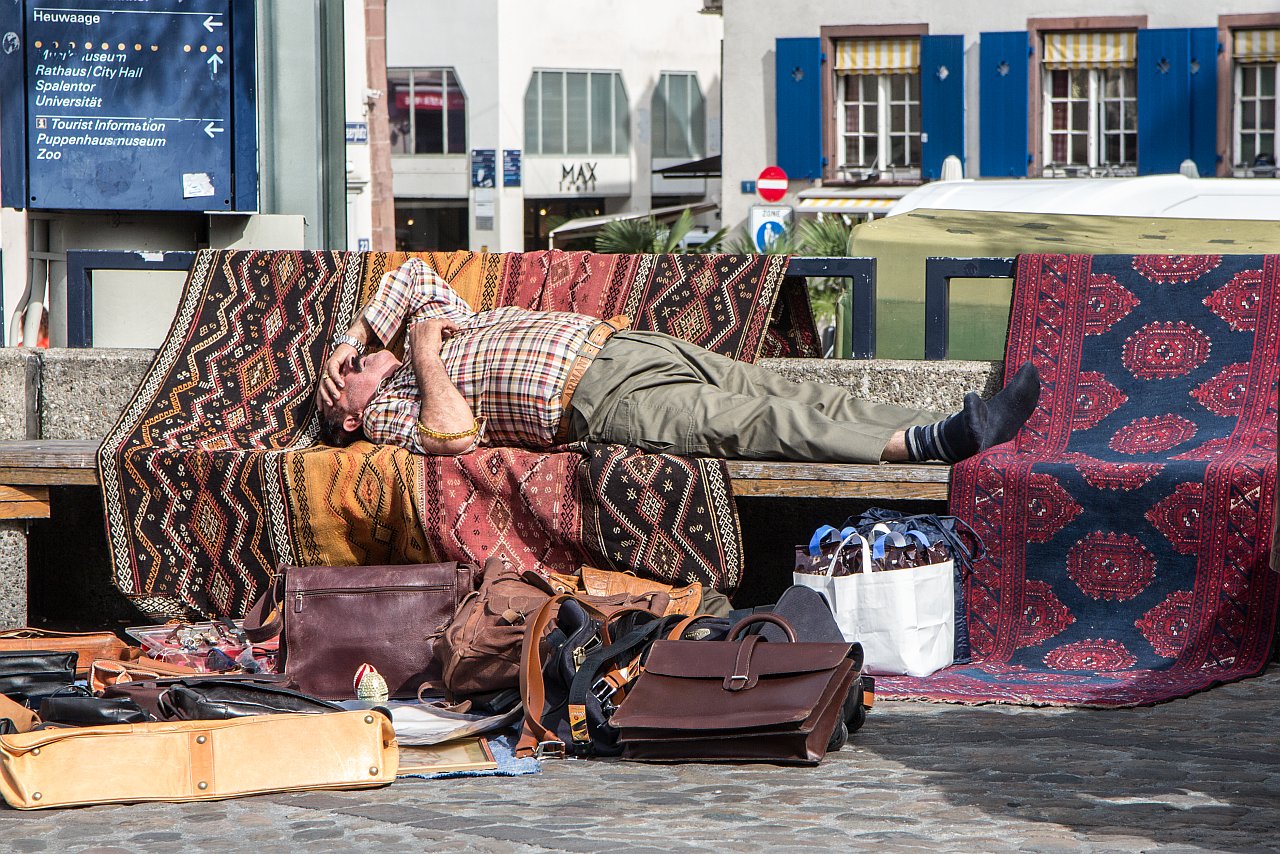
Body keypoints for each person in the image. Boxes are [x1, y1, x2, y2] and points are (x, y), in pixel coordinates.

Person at [317, 258, 1040, 463]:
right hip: (597, 403)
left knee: (797, 387)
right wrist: (417, 348)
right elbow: (455, 438)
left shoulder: (421, 325)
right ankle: (922, 446)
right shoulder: (391, 407)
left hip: (626, 345)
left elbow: (411, 274)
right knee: (763, 418)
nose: (346, 373)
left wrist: (351, 339)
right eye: (336, 386)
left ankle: (948, 426)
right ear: (347, 417)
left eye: (341, 367)